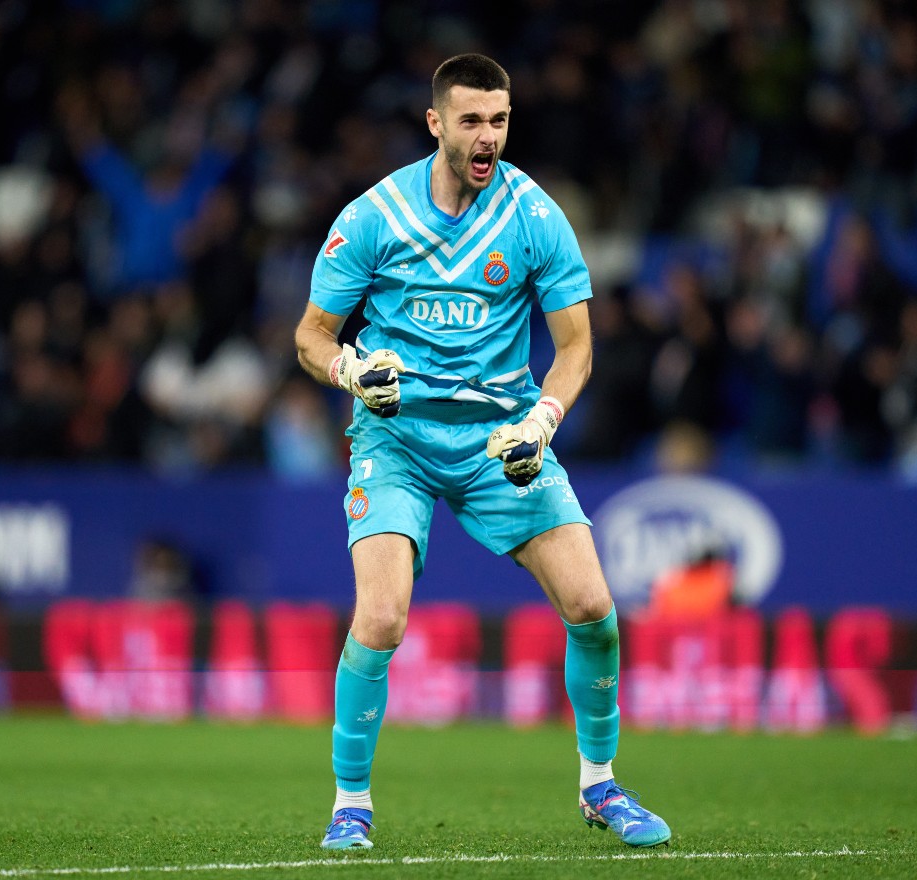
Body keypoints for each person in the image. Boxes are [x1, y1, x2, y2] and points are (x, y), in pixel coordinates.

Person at [294, 53, 670, 851]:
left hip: (501, 442)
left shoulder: (536, 217)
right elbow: (310, 335)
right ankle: (349, 804)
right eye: (470, 121)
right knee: (384, 616)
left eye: (498, 120)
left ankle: (600, 787)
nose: (487, 136)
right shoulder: (374, 216)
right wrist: (351, 371)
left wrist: (542, 423)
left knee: (594, 610)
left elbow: (576, 350)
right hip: (396, 438)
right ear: (435, 123)